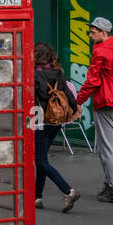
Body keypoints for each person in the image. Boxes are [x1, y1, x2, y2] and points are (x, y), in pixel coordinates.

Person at [76, 16, 113, 203]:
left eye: (93, 32)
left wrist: (79, 100)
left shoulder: (101, 51)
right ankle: (109, 185)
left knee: (106, 148)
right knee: (105, 147)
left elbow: (93, 80)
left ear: (103, 32)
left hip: (106, 102)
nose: (90, 35)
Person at [33, 43, 80, 212]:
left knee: (40, 160)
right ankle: (37, 197)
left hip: (40, 119)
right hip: (57, 121)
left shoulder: (33, 75)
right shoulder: (58, 73)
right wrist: (73, 111)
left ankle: (68, 190)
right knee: (42, 158)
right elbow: (68, 95)